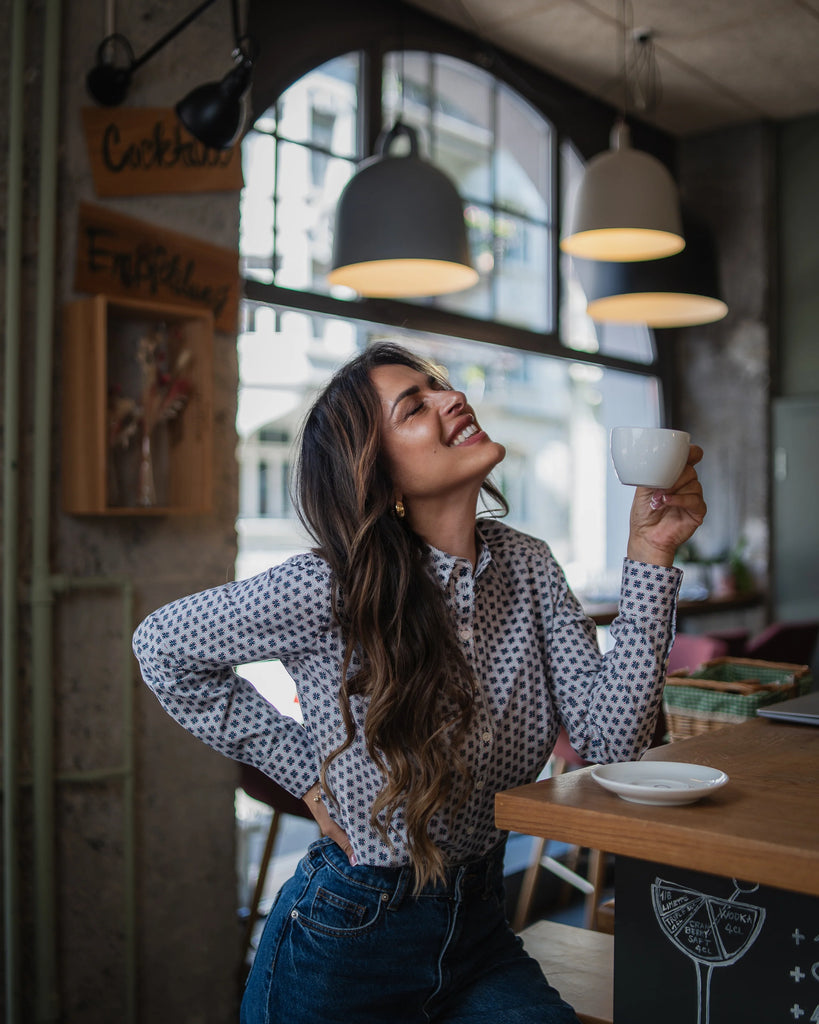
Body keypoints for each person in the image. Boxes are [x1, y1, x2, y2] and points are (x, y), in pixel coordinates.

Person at [133, 341, 707, 1023]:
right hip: (349, 938)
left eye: (439, 385)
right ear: (378, 473)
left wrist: (649, 554)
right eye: (414, 405)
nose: (450, 398)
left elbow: (610, 739)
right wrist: (307, 773)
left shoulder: (528, 565)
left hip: (477, 929)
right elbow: (161, 647)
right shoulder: (329, 584)